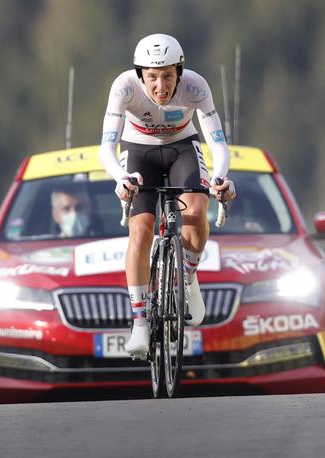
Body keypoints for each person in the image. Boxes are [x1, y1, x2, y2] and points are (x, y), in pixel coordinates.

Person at [98, 33, 236, 358]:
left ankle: (188, 278)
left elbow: (217, 141)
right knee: (141, 231)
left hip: (182, 148)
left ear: (180, 72)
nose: (160, 86)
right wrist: (120, 178)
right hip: (137, 151)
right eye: (152, 77)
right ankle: (140, 324)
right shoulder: (124, 87)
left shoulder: (196, 86)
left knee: (196, 207)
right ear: (139, 75)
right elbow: (107, 145)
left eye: (168, 76)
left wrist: (219, 177)